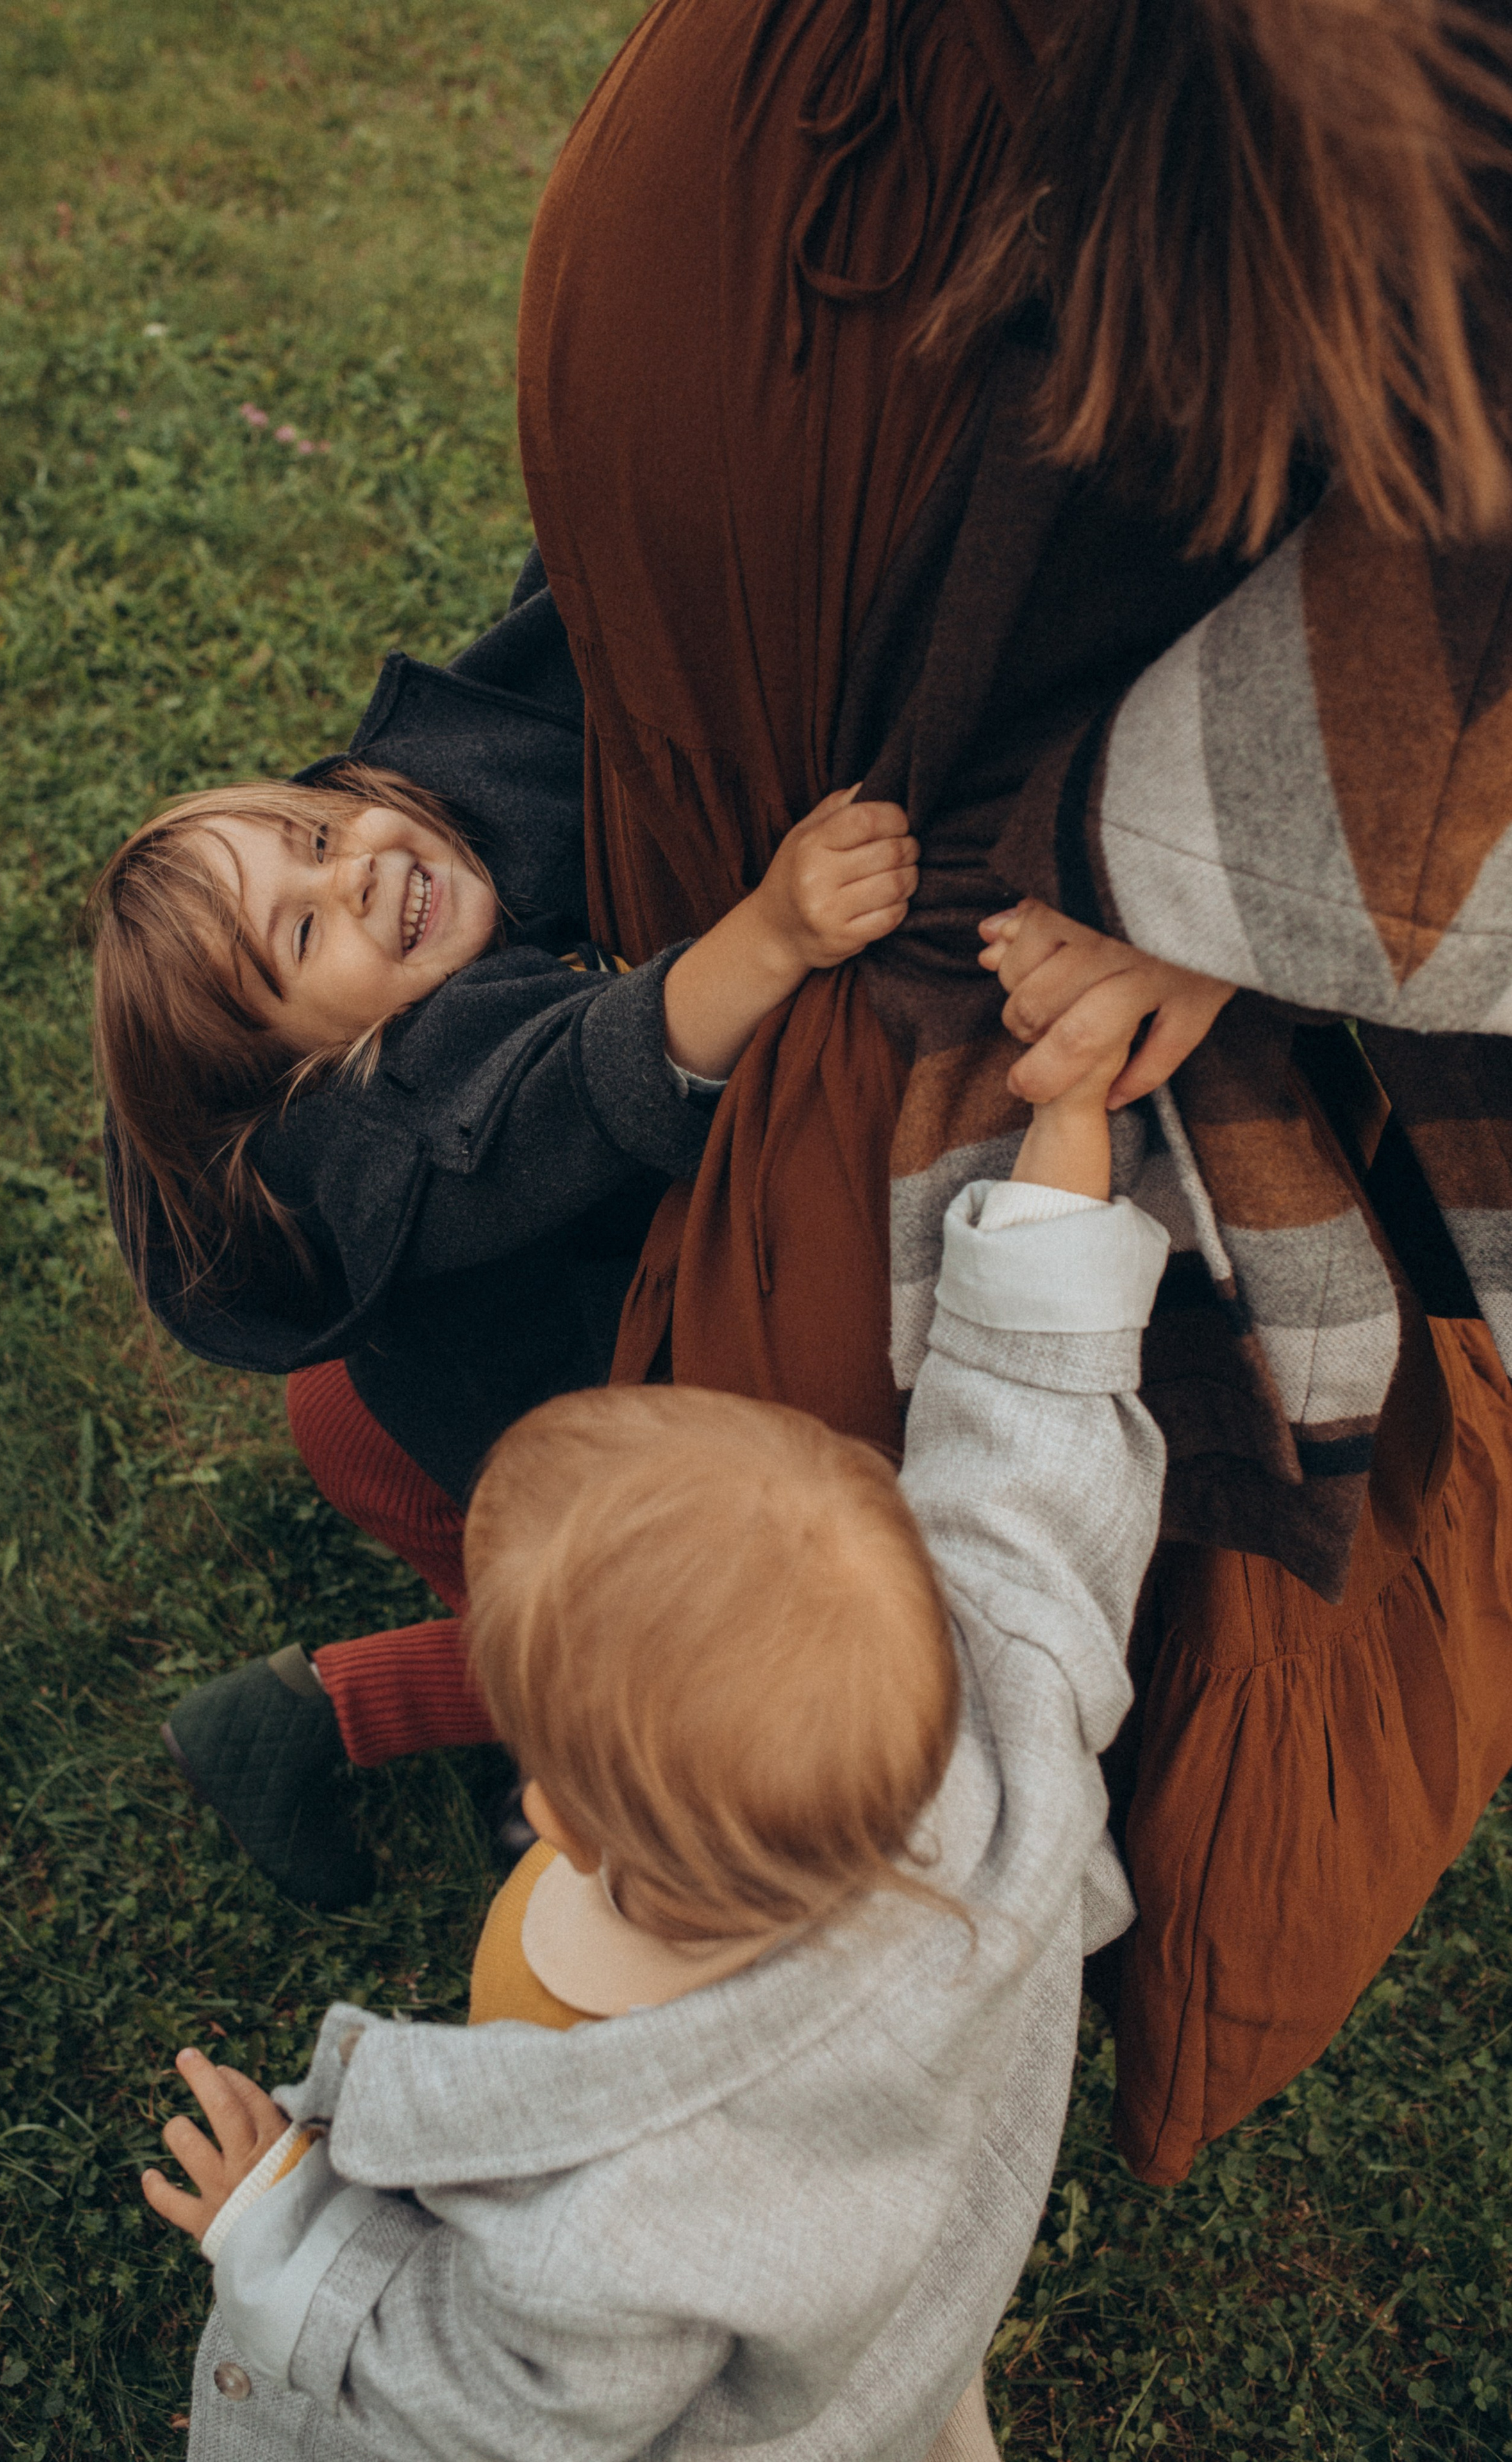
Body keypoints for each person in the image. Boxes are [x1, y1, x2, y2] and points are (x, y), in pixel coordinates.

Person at [511, 0, 1512, 2183]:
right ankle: (594, 1703)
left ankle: (825, 1958)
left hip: (989, 919)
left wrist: (1216, 881)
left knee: (920, 1572)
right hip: (799, 837)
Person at [140, 978, 1173, 2462]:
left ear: (550, 1813)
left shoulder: (614, 2211)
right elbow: (1031, 1442)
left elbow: (488, 2405)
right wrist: (1069, 1118)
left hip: (759, 2418)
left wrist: (282, 2229)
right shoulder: (996, 1747)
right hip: (908, 2258)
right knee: (893, 2357)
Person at [89, 749, 915, 1904]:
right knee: (665, 1656)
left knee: (418, 1483)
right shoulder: (401, 1133)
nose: (360, 877)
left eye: (322, 840)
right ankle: (338, 1716)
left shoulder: (422, 959)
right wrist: (772, 934)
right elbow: (585, 1080)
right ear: (301, 1084)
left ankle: (483, 1678)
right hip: (579, 1457)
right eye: (302, 936)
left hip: (411, 1416)